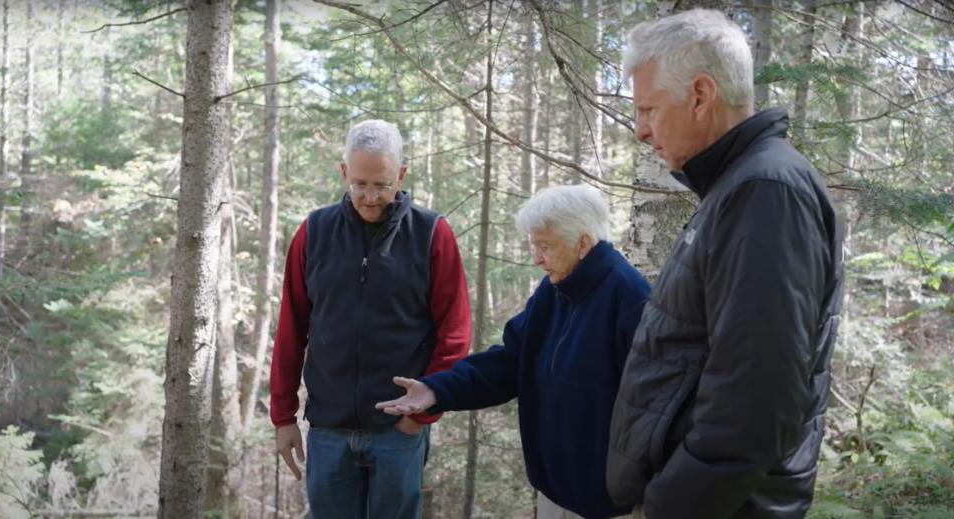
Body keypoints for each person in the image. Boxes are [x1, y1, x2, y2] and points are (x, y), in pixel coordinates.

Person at [606, 8, 844, 519]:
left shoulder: (765, 192)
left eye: (648, 108)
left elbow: (756, 401)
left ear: (699, 95)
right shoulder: (740, 187)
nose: (639, 130)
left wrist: (673, 502)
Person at [375, 184, 653, 519]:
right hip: (554, 494)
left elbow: (652, 408)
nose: (537, 258)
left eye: (545, 247)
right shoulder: (553, 294)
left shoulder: (631, 298)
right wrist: (437, 389)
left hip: (611, 504)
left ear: (582, 244)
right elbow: (508, 363)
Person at [268, 119, 472, 519]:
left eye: (381, 184)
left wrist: (421, 415)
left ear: (400, 174)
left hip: (399, 430)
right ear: (344, 171)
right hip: (328, 430)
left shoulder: (432, 234)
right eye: (359, 183)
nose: (369, 196)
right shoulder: (314, 232)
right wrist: (283, 416)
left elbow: (455, 334)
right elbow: (291, 329)